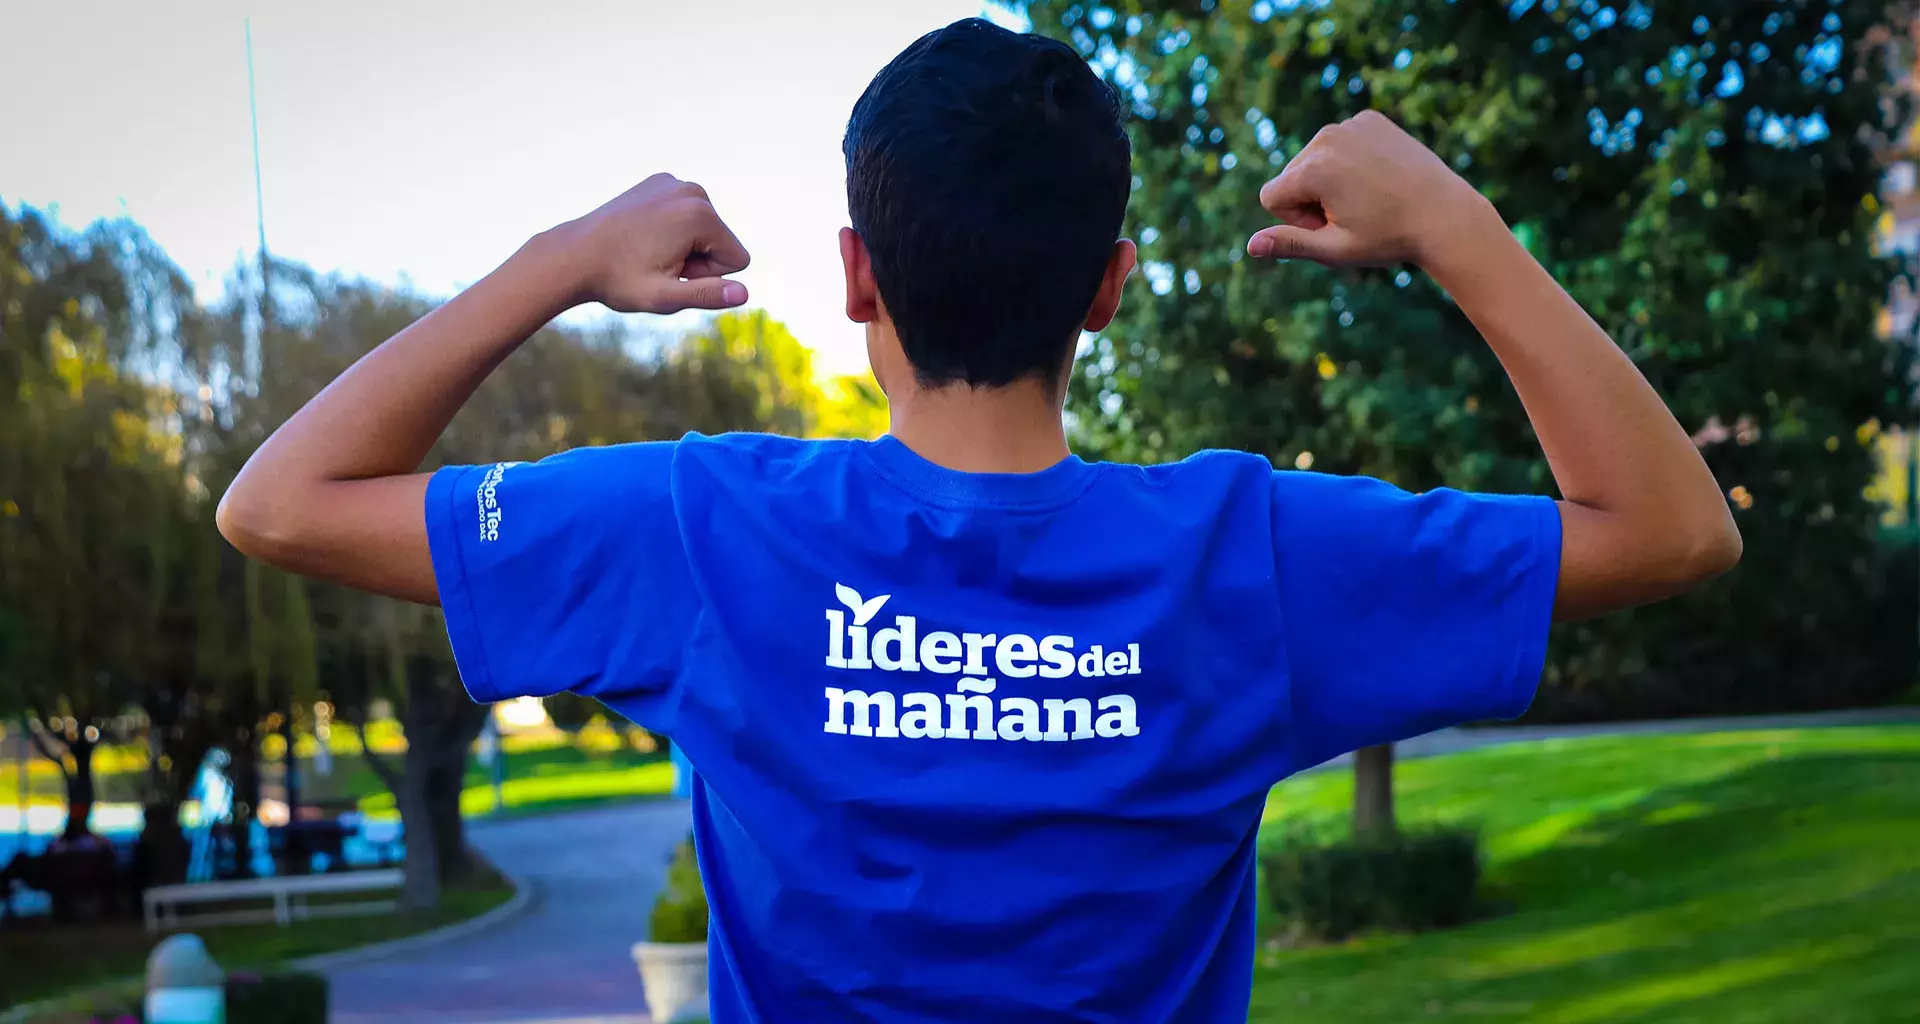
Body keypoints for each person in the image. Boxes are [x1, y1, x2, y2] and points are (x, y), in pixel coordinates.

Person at [217, 17, 1739, 1023]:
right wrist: (1457, 230)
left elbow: (282, 502)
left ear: (856, 274)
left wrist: (559, 261)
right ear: (1111, 289)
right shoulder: (1252, 558)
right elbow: (1672, 528)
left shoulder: (700, 531)